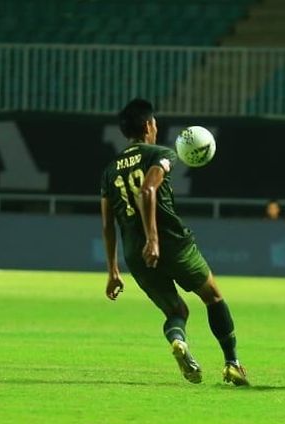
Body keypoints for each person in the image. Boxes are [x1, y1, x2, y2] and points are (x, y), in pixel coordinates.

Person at [100, 99, 248, 386]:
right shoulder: (161, 154)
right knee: (213, 297)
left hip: (134, 253)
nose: (156, 127)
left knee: (176, 312)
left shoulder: (110, 170)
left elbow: (107, 224)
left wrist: (112, 271)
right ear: (147, 125)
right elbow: (147, 189)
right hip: (171, 243)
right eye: (154, 123)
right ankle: (232, 363)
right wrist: (154, 240)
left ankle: (179, 342)